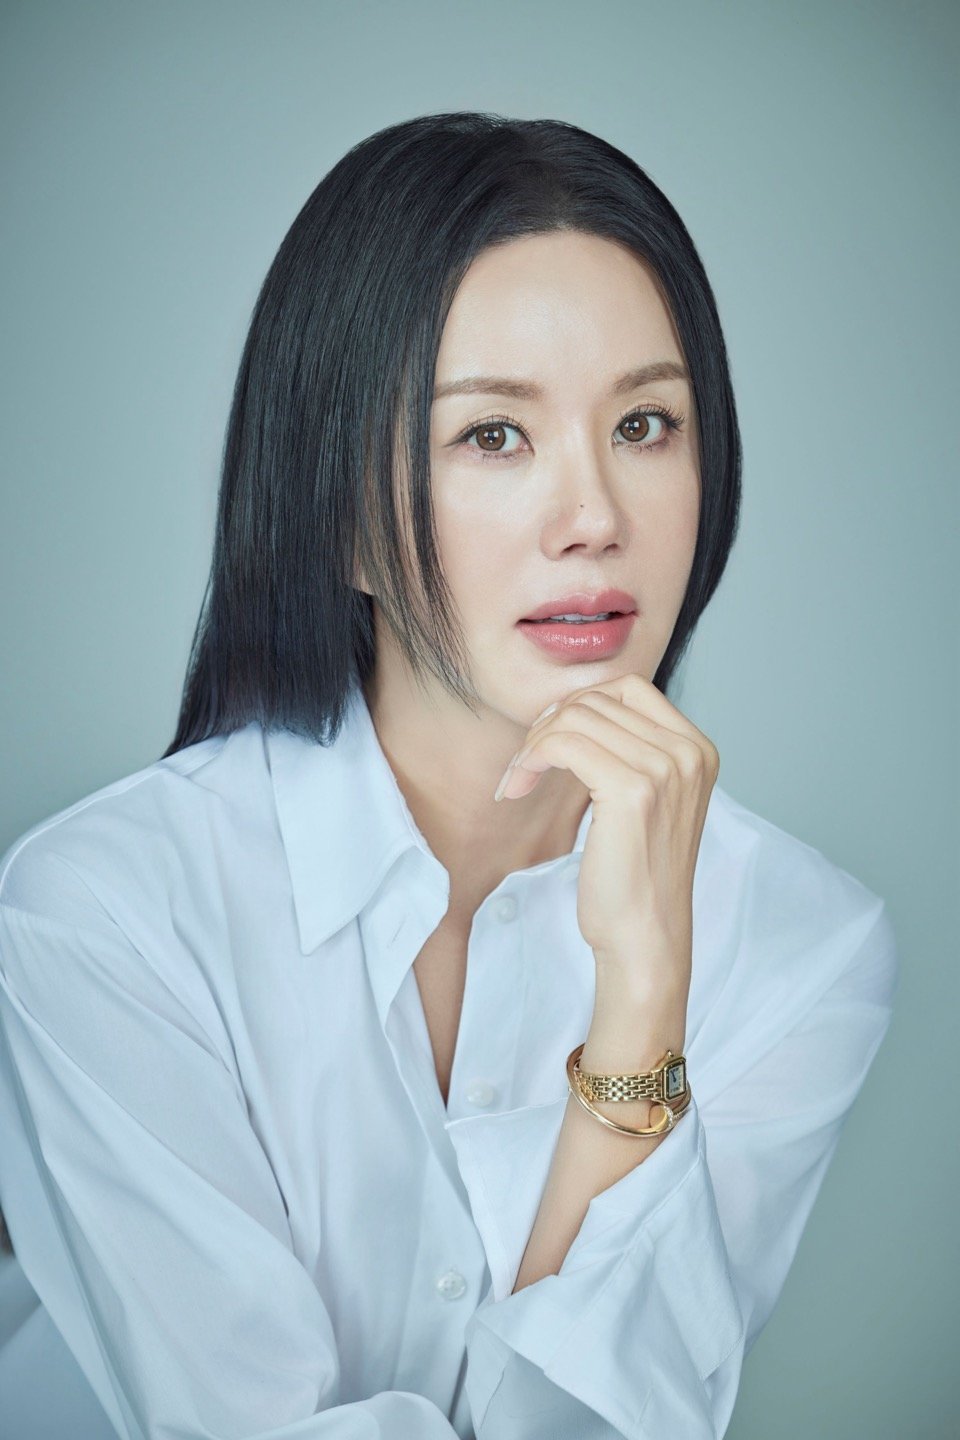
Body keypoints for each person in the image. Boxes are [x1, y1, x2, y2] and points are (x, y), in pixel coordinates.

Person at [0, 111, 899, 1440]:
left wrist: (643, 1006)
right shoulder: (105, 914)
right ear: (339, 511)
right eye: (492, 436)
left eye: (645, 422)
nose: (595, 517)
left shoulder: (804, 946)